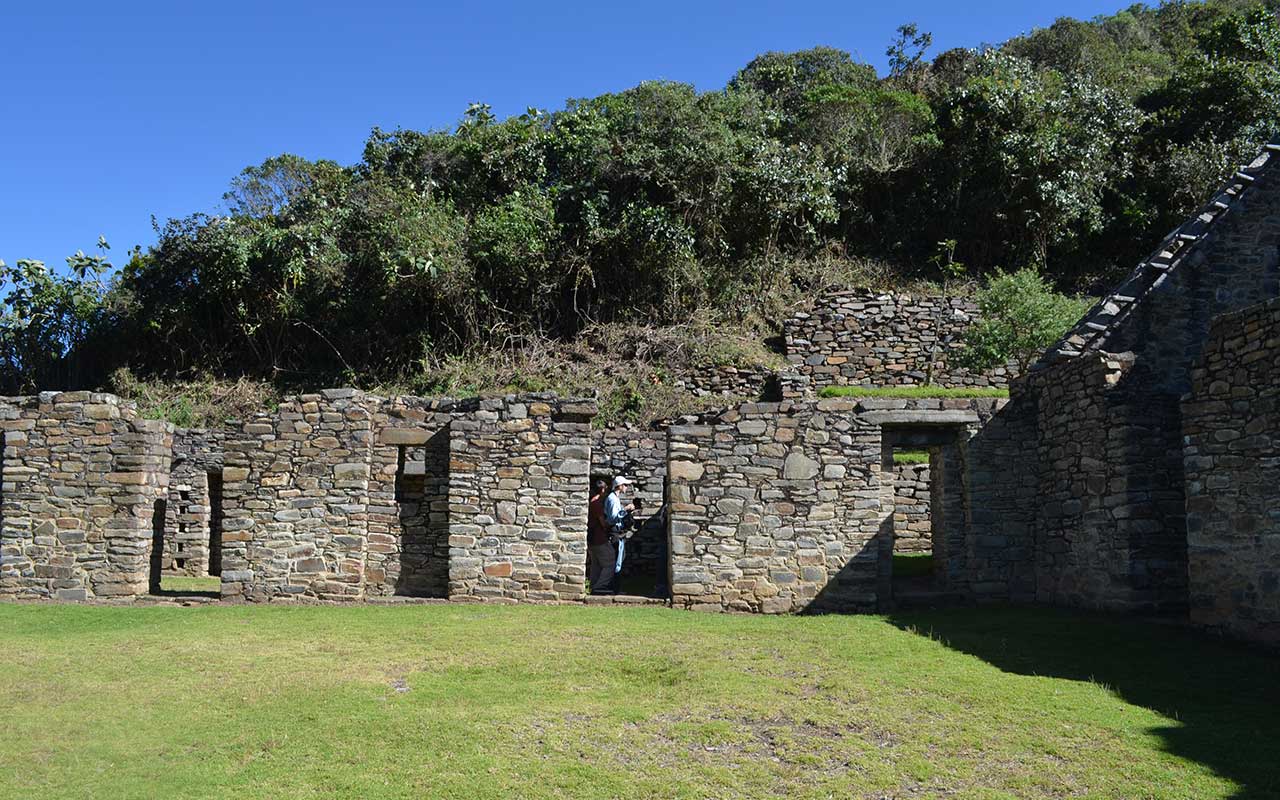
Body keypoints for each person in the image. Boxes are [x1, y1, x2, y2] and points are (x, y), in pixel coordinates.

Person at [602, 476, 635, 592]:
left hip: (617, 532)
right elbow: (612, 518)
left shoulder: (614, 498)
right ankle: (614, 588)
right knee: (617, 560)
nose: (626, 487)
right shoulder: (612, 499)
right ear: (619, 486)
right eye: (625, 485)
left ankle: (615, 588)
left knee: (619, 558)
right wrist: (625, 509)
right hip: (615, 533)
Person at [587, 479, 612, 594]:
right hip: (599, 538)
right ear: (602, 490)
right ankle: (600, 586)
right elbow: (602, 522)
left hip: (592, 539)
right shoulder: (596, 504)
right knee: (610, 562)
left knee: (596, 564)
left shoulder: (590, 502)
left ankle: (593, 586)